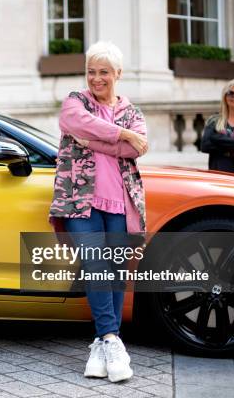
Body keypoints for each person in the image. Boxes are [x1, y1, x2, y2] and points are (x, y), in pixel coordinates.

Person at [49, 41, 147, 383]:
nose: (96, 78)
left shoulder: (132, 111)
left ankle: (103, 343)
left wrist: (94, 139)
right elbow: (73, 122)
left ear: (117, 74)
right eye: (91, 71)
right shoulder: (77, 101)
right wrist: (120, 136)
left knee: (117, 268)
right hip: (80, 201)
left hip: (121, 203)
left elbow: (139, 145)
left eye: (103, 72)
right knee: (95, 263)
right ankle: (110, 338)